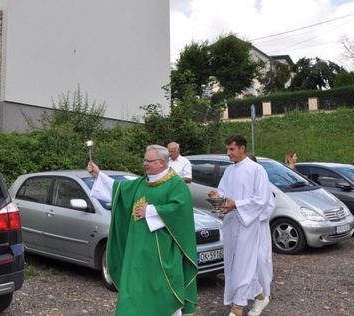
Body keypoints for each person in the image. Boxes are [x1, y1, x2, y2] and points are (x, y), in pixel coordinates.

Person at [87, 145, 198, 316]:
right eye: (144, 160)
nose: (144, 163)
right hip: (137, 251)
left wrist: (152, 211)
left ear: (162, 162)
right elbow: (118, 190)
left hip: (161, 252)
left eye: (149, 160)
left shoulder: (176, 184)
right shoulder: (141, 183)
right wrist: (98, 175)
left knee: (163, 290)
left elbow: (180, 211)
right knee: (135, 291)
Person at [209, 134, 275, 316]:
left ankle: (237, 308)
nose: (228, 153)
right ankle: (260, 296)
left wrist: (236, 204)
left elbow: (261, 200)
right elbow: (223, 192)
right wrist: (217, 196)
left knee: (243, 264)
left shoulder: (257, 170)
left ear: (242, 148)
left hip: (248, 224)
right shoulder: (230, 171)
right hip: (231, 223)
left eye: (231, 149)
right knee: (232, 263)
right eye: (227, 149)